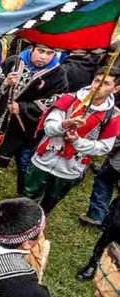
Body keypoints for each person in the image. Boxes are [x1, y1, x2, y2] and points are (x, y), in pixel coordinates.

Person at [25, 67, 120, 215]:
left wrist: (77, 142)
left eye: (106, 84)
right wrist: (64, 124)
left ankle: (39, 226)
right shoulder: (69, 99)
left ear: (116, 89)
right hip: (43, 160)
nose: (98, 87)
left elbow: (104, 147)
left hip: (70, 169)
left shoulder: (113, 115)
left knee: (49, 203)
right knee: (27, 198)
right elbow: (49, 127)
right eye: (97, 81)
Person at [0, 45, 68, 195]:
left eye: (49, 53)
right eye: (40, 51)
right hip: (1, 114)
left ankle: (23, 192)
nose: (43, 57)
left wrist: (23, 108)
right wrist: (5, 83)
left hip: (26, 125)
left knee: (23, 158)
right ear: (32, 48)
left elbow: (55, 101)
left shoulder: (58, 74)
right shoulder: (13, 62)